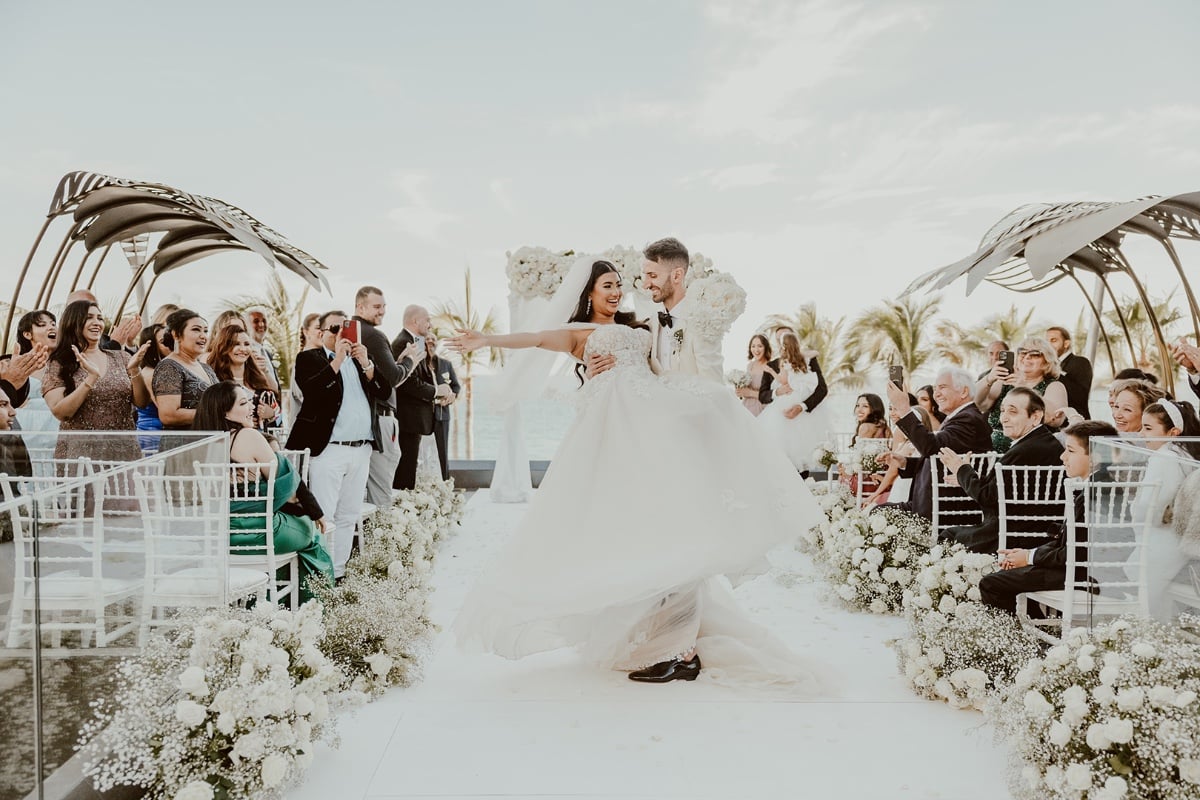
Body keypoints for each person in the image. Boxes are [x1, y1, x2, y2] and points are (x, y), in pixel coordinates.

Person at [451, 255, 829, 691]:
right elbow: (535, 337)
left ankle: (679, 647)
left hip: (652, 427)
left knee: (675, 522)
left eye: (619, 284)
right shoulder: (579, 334)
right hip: (613, 438)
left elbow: (661, 369)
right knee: (635, 533)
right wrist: (486, 339)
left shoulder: (640, 327)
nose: (615, 291)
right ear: (589, 293)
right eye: (607, 285)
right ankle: (666, 641)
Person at [194, 381, 333, 602]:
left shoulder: (201, 445)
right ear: (225, 412)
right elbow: (288, 489)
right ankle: (312, 607)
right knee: (314, 535)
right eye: (243, 402)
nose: (252, 406)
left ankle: (260, 602)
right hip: (258, 534)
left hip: (217, 538)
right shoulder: (247, 436)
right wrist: (313, 511)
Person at [286, 310, 392, 580]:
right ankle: (320, 576)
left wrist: (366, 362)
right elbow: (313, 392)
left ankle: (339, 573)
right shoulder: (309, 358)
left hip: (361, 448)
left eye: (346, 328)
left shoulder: (359, 362)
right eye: (334, 328)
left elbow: (384, 391)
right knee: (325, 515)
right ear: (321, 333)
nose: (340, 334)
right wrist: (338, 360)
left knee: (349, 515)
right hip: (329, 449)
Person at [979, 420, 1119, 615]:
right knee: (1009, 575)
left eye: (1070, 450)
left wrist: (1029, 557)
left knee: (991, 583)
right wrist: (1028, 554)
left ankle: (1015, 641)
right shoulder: (1100, 486)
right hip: (1081, 569)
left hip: (1086, 575)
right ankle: (1030, 635)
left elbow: (1078, 553)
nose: (1062, 457)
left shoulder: (1097, 494)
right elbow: (1070, 543)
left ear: (1094, 457)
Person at [936, 388, 1065, 553]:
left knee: (948, 535)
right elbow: (1011, 489)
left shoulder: (1026, 449)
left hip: (1014, 534)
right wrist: (969, 476)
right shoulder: (1040, 442)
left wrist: (961, 469)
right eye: (1002, 411)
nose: (1003, 418)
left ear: (1035, 416)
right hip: (1031, 530)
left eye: (1012, 412)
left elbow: (988, 497)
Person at [42, 300, 149, 460]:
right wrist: (90, 379)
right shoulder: (59, 362)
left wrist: (134, 370)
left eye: (99, 318)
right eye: (89, 317)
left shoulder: (121, 357)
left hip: (123, 451)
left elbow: (142, 403)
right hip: (81, 455)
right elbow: (61, 412)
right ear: (73, 322)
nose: (96, 323)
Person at [880, 368, 993, 520]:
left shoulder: (968, 420)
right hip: (933, 504)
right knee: (874, 513)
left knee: (875, 514)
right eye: (935, 389)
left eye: (942, 387)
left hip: (946, 509)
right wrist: (905, 462)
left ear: (964, 392)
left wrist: (904, 408)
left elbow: (931, 447)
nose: (936, 394)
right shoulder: (961, 417)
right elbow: (937, 457)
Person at [1130, 399, 1200, 618]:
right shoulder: (1185, 456)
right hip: (1182, 540)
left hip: (1165, 543)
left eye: (1148, 428)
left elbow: (1150, 511)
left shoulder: (1164, 458)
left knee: (1141, 596)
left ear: (1173, 432)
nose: (1141, 434)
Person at [354, 287, 419, 504]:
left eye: (384, 307)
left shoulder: (354, 333)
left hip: (363, 420)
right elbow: (392, 379)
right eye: (376, 307)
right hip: (380, 418)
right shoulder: (374, 335)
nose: (382, 311)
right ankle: (382, 533)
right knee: (382, 486)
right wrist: (410, 361)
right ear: (360, 307)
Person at [757, 332, 834, 475]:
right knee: (778, 455)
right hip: (780, 420)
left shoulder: (808, 359)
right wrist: (778, 391)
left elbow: (822, 389)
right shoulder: (772, 364)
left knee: (802, 456)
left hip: (805, 418)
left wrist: (802, 407)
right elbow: (762, 395)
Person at [975, 336, 1068, 452]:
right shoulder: (1004, 383)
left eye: (1035, 354)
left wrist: (1024, 386)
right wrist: (988, 379)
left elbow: (1055, 418)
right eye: (1022, 353)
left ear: (1046, 361)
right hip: (992, 454)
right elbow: (977, 403)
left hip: (1032, 454)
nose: (1027, 357)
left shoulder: (1054, 386)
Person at [391, 305, 449, 491]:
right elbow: (408, 383)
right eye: (427, 320)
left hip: (415, 421)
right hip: (407, 420)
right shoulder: (403, 343)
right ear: (415, 321)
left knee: (410, 470)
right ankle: (402, 511)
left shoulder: (417, 341)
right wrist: (436, 391)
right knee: (405, 472)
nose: (430, 325)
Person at [206, 325, 280, 433]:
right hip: (233, 443)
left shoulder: (258, 379)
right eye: (236, 344)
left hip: (263, 442)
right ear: (224, 347)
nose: (243, 349)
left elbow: (280, 417)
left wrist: (271, 414)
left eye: (246, 344)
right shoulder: (215, 381)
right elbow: (212, 416)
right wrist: (243, 421)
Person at [154, 309, 219, 432]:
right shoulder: (169, 367)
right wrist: (217, 414)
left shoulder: (206, 368)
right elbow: (168, 416)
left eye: (205, 331)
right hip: (185, 444)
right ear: (176, 335)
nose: (203, 336)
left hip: (210, 441)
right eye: (196, 330)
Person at [11, 310, 58, 451]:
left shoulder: (70, 365)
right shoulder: (16, 366)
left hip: (58, 438)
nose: (51, 327)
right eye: (42, 325)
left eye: (53, 324)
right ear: (27, 334)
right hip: (28, 437)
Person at [426, 335, 459, 481]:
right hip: (424, 415)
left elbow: (456, 386)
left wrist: (452, 396)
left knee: (442, 452)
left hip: (442, 415)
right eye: (427, 338)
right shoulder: (420, 364)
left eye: (433, 338)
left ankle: (445, 484)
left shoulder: (446, 364)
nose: (431, 341)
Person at [133, 323, 170, 455]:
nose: (170, 343)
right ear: (152, 347)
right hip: (152, 436)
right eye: (163, 341)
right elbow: (166, 409)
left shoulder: (166, 369)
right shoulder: (151, 373)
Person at [1046, 326, 1092, 419]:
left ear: (1066, 343)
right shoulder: (1045, 366)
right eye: (1046, 342)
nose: (1048, 345)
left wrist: (1054, 371)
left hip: (1075, 422)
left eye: (1053, 340)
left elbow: (1080, 395)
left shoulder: (1080, 362)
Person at [288, 312, 324, 428]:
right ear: (306, 331)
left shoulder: (323, 361)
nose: (322, 332)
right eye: (318, 328)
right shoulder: (303, 362)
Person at [737, 334, 772, 416]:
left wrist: (749, 393)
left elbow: (771, 395)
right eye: (753, 346)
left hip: (762, 408)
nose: (756, 350)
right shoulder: (750, 366)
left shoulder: (771, 367)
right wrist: (741, 391)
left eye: (760, 346)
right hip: (747, 406)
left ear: (766, 348)